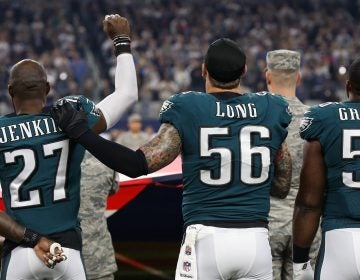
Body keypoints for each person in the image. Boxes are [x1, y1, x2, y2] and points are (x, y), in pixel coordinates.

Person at [51, 38, 292, 279]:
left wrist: (81, 133)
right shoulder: (270, 107)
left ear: (203, 70)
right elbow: (282, 186)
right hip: (256, 240)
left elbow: (136, 165)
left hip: (205, 237)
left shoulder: (188, 107)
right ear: (245, 71)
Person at [0, 14, 137, 279]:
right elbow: (127, 94)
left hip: (20, 249)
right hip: (67, 250)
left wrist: (31, 237)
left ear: (10, 91)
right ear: (48, 88)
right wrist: (121, 40)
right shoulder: (70, 116)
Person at [292, 57, 360, 280]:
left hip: (340, 243)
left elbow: (308, 204)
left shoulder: (325, 119)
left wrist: (300, 260)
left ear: (348, 86)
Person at [265, 50, 320, 279]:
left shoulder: (258, 116)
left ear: (268, 76)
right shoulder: (316, 119)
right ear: (298, 77)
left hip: (267, 222)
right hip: (307, 226)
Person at [79, 151, 118, 280]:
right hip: (99, 258)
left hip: (58, 258)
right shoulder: (106, 156)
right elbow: (113, 189)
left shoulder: (49, 161)